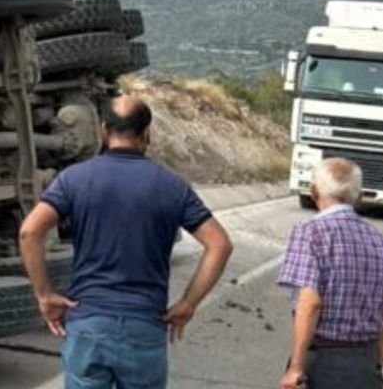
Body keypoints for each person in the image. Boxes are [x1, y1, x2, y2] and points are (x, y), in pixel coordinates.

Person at [17, 96, 233, 389]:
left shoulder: (73, 179)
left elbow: (29, 233)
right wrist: (188, 304)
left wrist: (44, 295)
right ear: (147, 134)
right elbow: (219, 245)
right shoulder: (172, 186)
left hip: (88, 325)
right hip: (144, 327)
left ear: (104, 131)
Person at [277, 158, 383, 389]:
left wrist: (295, 366)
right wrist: (375, 367)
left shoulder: (311, 233)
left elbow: (310, 303)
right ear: (359, 197)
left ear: (313, 192)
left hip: (322, 361)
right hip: (365, 361)